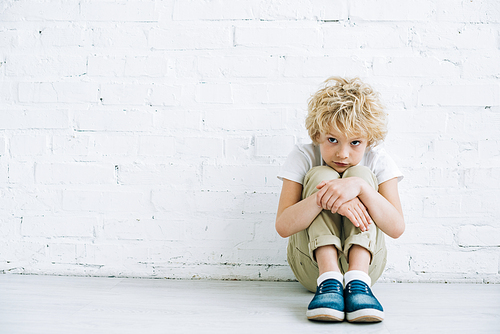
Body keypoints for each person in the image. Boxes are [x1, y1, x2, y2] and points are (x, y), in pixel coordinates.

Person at [276, 77, 404, 323]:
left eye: (355, 143)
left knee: (361, 175)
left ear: (369, 140)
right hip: (312, 270)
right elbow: (283, 226)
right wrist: (327, 198)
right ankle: (330, 278)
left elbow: (396, 228)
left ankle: (356, 279)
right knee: (321, 175)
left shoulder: (377, 160)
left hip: (367, 273)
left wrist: (361, 189)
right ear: (317, 134)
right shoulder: (303, 156)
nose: (343, 153)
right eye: (332, 140)